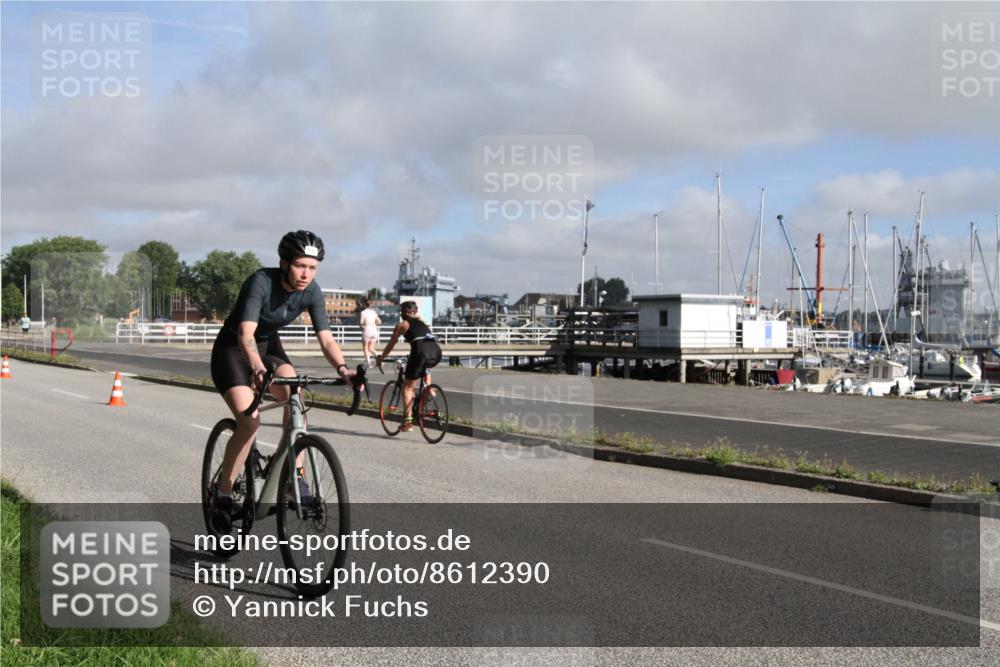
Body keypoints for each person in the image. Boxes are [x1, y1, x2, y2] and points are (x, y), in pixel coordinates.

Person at [209, 230, 353, 532]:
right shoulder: (261, 281)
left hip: (268, 348)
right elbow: (246, 334)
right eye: (301, 265)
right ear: (284, 262)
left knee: (294, 393)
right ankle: (223, 496)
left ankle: (293, 476)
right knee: (250, 422)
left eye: (312, 268)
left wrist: (343, 369)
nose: (306, 274)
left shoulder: (312, 291)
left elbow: (326, 340)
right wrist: (257, 367)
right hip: (233, 350)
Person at [376, 301, 442, 432]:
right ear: (415, 312)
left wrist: (381, 358)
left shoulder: (403, 324)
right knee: (425, 366)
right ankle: (429, 390)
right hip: (436, 352)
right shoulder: (424, 324)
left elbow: (391, 344)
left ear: (403, 313)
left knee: (407, 388)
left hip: (420, 352)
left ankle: (408, 423)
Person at [357, 297, 382, 367]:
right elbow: (380, 322)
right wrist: (373, 324)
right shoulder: (374, 312)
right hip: (374, 330)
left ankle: (369, 362)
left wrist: (360, 325)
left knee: (365, 347)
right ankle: (379, 356)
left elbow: (361, 322)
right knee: (371, 348)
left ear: (364, 304)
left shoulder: (363, 312)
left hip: (367, 329)